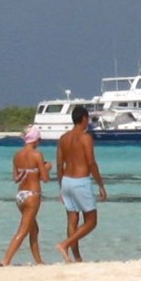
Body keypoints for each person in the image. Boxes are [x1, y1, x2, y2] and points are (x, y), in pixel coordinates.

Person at [54, 105, 107, 262]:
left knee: (72, 220)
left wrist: (61, 187)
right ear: (84, 118)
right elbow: (91, 163)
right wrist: (101, 185)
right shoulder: (85, 138)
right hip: (80, 181)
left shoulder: (63, 138)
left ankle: (76, 257)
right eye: (88, 119)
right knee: (91, 221)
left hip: (66, 181)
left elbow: (59, 164)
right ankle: (64, 245)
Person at [0, 127, 50, 266]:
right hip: (32, 194)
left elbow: (16, 178)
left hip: (20, 195)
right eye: (39, 139)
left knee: (34, 229)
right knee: (23, 230)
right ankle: (5, 260)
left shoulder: (17, 155)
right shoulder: (37, 155)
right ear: (35, 139)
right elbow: (45, 178)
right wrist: (47, 168)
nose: (40, 142)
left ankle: (39, 261)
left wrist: (30, 172)